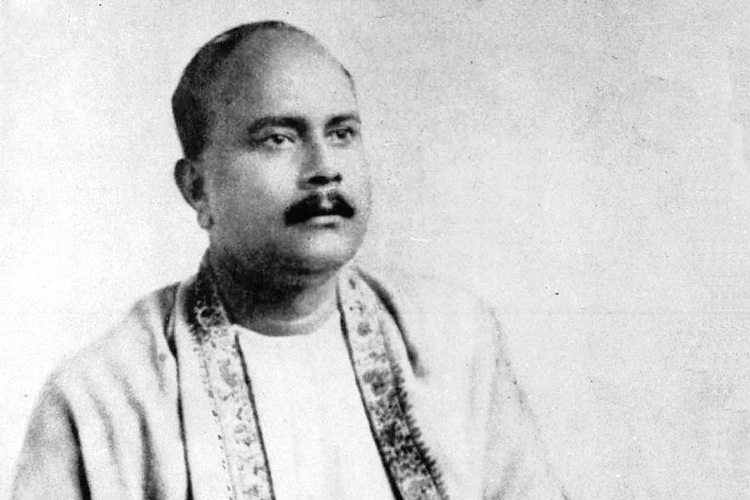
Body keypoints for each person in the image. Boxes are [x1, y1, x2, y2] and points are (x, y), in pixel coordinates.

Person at [11, 21, 568, 500]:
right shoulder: (103, 400)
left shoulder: (457, 342)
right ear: (197, 188)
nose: (325, 167)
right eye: (278, 139)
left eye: (342, 133)